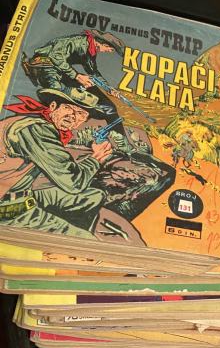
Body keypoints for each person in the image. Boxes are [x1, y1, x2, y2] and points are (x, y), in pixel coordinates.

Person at [0, 89, 142, 243]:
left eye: (81, 113)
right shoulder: (37, 130)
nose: (73, 116)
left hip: (21, 192)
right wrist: (96, 158)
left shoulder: (34, 123)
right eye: (68, 108)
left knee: (94, 196)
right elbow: (73, 183)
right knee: (87, 241)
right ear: (53, 106)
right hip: (7, 207)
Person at [23, 30, 125, 134]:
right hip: (45, 64)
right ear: (104, 44)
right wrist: (76, 76)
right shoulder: (77, 42)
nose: (110, 51)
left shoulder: (90, 51)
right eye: (111, 49)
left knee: (90, 94)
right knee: (57, 94)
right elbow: (55, 56)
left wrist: (109, 89)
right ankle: (41, 124)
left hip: (61, 70)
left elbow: (93, 72)